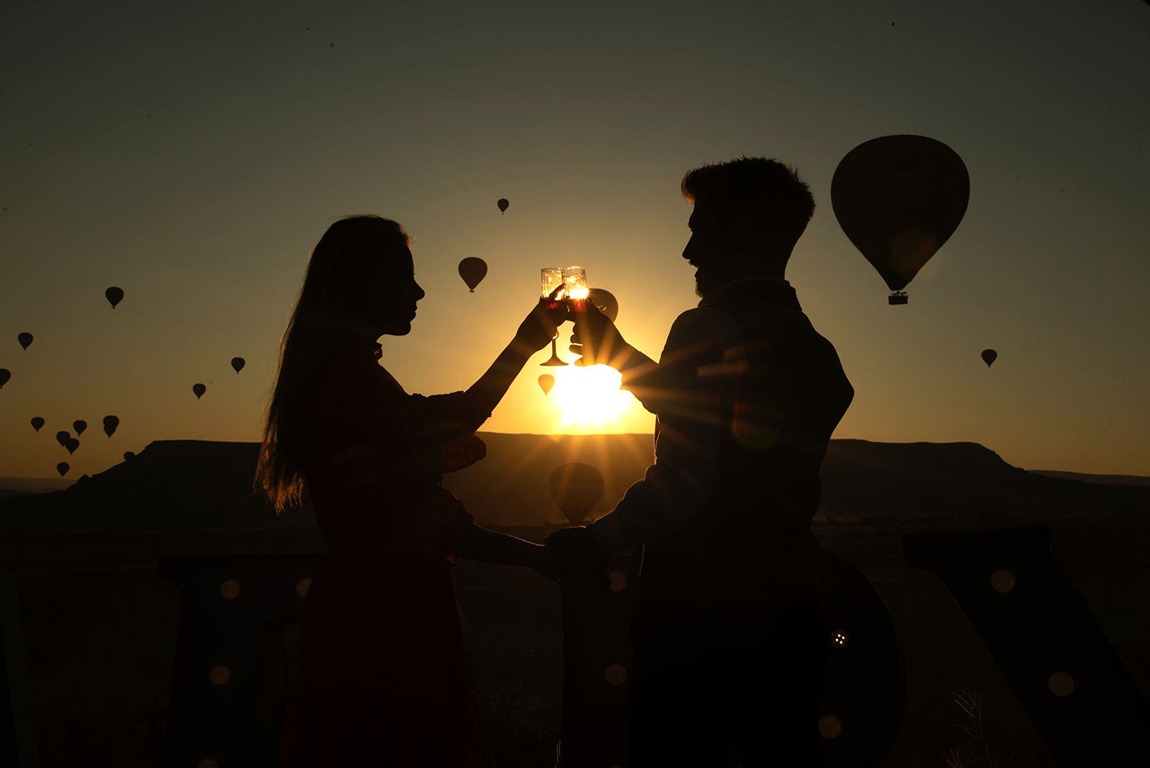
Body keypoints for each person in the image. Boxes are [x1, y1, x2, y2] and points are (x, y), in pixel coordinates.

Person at [547, 157, 855, 766]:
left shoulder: (705, 324)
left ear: (745, 231)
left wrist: (596, 539)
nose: (688, 252)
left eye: (701, 230)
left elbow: (688, 478)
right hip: (790, 605)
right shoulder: (812, 346)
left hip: (697, 614)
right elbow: (728, 420)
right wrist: (621, 357)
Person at [255, 215, 561, 767]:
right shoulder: (349, 383)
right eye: (404, 277)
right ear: (358, 282)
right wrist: (544, 557)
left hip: (362, 611)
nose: (419, 292)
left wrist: (524, 342)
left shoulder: (345, 376)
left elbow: (453, 417)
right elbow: (427, 521)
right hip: (388, 621)